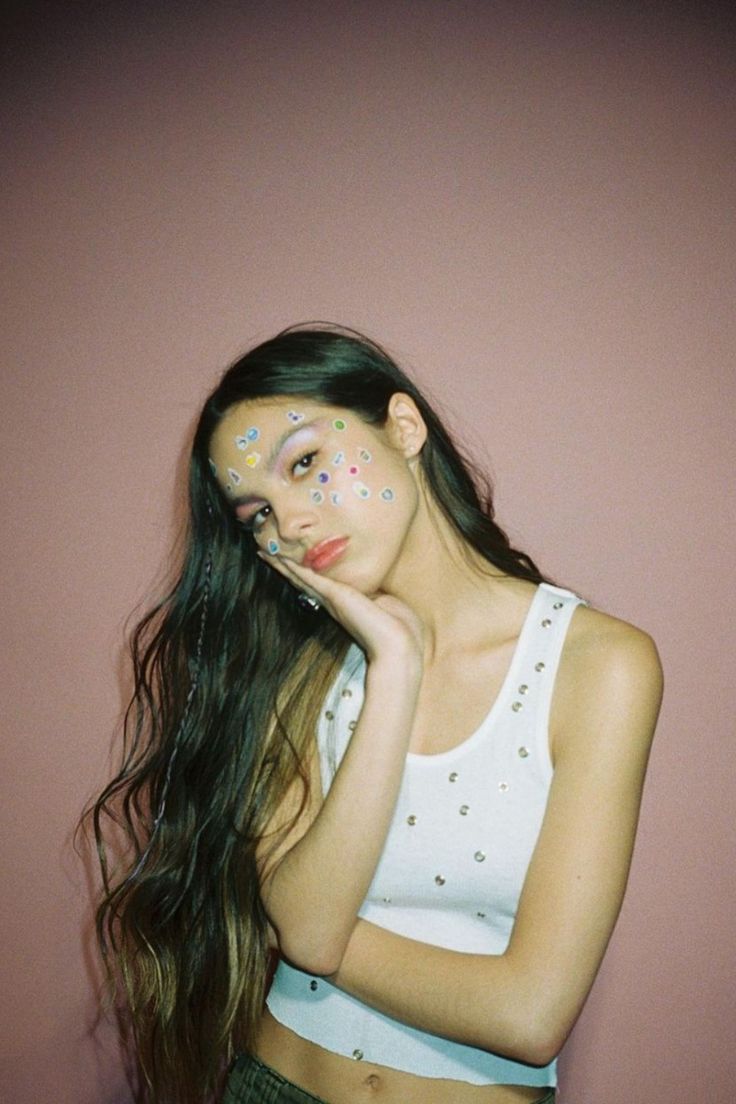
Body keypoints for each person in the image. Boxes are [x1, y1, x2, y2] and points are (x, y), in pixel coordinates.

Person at [91, 323, 663, 1104]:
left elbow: (531, 1015)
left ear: (403, 426)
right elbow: (303, 917)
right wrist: (394, 667)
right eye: (257, 512)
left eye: (305, 463)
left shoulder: (601, 666)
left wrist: (316, 939)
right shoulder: (298, 669)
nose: (289, 523)